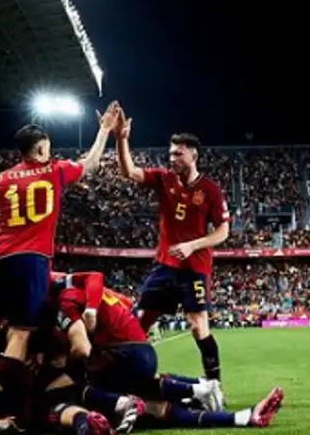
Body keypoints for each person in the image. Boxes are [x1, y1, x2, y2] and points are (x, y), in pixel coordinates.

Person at [0, 103, 120, 433]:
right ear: (41, 147)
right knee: (19, 335)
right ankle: (0, 413)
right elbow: (91, 164)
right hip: (32, 261)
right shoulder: (54, 170)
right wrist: (104, 130)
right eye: (48, 146)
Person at [114, 108, 231, 406]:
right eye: (170, 153)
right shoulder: (163, 179)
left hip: (194, 268)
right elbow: (128, 172)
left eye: (178, 154)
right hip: (165, 266)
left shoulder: (210, 190)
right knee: (138, 322)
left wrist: (194, 245)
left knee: (197, 325)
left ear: (193, 156)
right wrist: (121, 139)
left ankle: (216, 387)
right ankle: (125, 379)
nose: (172, 158)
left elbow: (222, 233)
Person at [54, 286, 283, 429]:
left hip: (103, 383)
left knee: (86, 389)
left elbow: (79, 353)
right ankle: (238, 414)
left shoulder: (62, 305)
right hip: (134, 352)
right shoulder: (92, 293)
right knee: (154, 406)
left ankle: (192, 392)